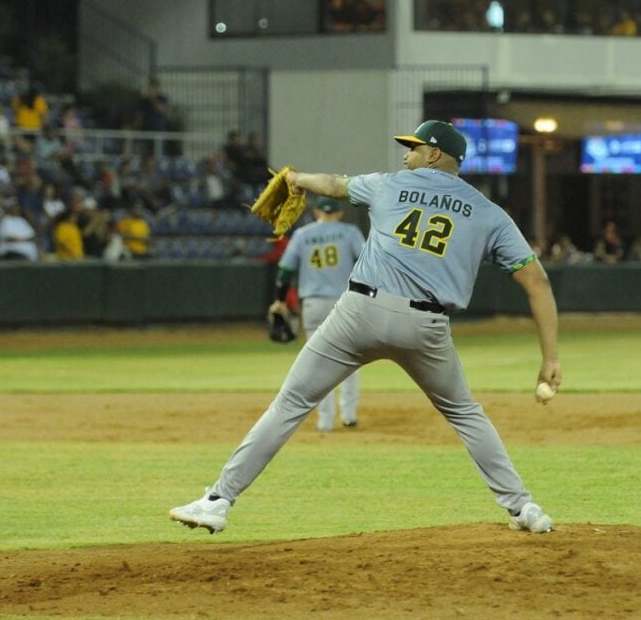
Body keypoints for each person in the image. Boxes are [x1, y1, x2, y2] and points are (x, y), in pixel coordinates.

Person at [170, 120, 561, 535]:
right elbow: (536, 281)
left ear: (433, 153)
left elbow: (336, 186)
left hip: (360, 313)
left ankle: (218, 501)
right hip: (427, 327)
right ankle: (524, 509)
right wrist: (550, 356)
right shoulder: (489, 213)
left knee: (290, 403)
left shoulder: (389, 184)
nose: (405, 154)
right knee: (466, 414)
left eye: (412, 148)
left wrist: (296, 178)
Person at [270, 196, 366, 432]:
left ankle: (325, 421)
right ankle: (349, 415)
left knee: (318, 363)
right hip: (344, 302)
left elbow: (285, 269)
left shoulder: (303, 235)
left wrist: (281, 300)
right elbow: (367, 261)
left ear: (316, 213)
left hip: (313, 304)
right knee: (350, 359)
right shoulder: (349, 232)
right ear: (340, 213)